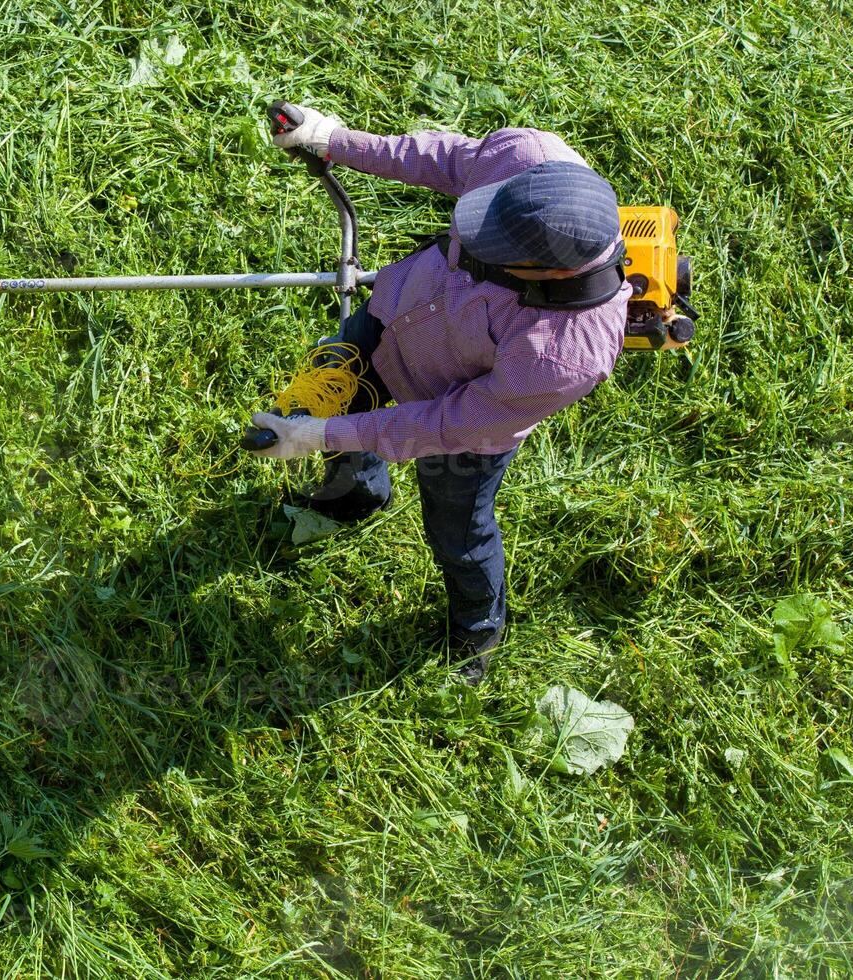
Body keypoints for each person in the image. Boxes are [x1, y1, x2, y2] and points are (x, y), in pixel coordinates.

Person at [251, 103, 631, 685]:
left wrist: (317, 435)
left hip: (462, 422)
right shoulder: (529, 158)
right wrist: (335, 139)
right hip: (394, 314)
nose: (472, 239)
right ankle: (356, 492)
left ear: (547, 272)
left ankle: (477, 631)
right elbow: (448, 159)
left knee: (458, 529)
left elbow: (446, 424)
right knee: (337, 390)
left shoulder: (559, 353)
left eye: (494, 246)